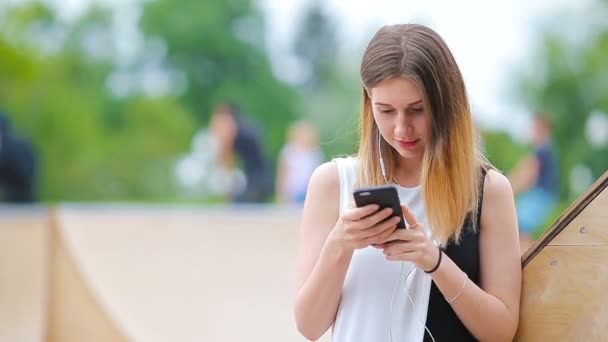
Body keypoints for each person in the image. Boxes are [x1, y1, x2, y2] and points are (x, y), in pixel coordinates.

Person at [294, 24, 521, 342]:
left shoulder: (488, 190)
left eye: (417, 110)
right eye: (385, 110)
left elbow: (501, 332)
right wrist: (340, 244)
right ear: (368, 102)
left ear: (446, 105)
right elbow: (309, 326)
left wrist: (435, 261)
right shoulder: (333, 183)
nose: (402, 128)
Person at [509, 112, 559, 254]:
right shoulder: (543, 149)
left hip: (539, 195)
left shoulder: (542, 149)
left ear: (541, 128)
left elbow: (528, 174)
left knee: (522, 232)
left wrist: (508, 189)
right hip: (541, 195)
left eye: (533, 128)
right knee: (523, 231)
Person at [208, 102, 273, 203]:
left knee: (238, 208)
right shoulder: (246, 126)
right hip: (261, 177)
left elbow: (226, 158)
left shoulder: (233, 128)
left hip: (256, 180)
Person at [275, 120, 324, 204]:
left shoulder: (315, 153)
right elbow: (282, 173)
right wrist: (281, 194)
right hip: (293, 190)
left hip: (309, 188)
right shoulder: (289, 151)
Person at [0, 112, 37, 203]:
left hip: (22, 199)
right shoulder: (21, 143)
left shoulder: (13, 147)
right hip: (17, 200)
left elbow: (24, 173)